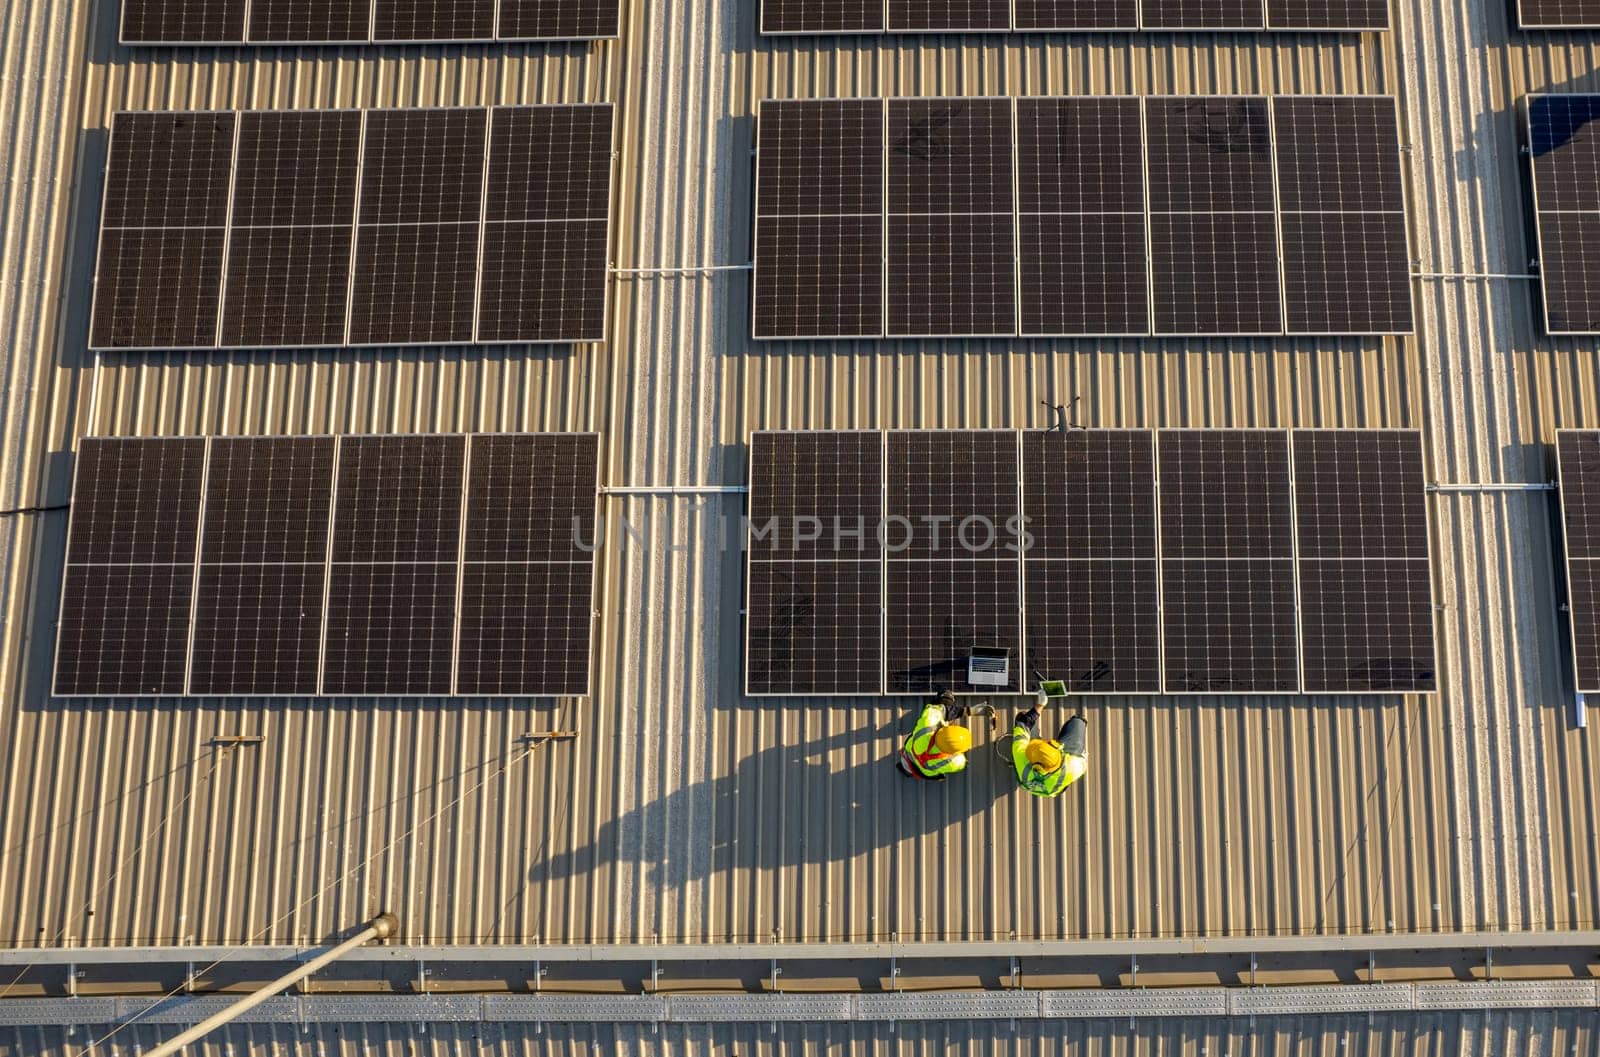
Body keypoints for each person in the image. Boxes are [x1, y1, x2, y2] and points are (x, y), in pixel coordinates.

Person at [1010, 698, 1087, 797]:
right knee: (1078, 723)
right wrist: (1080, 752)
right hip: (1052, 790)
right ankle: (1078, 720)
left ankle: (1034, 736)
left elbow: (1022, 723)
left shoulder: (1021, 756)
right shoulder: (1071, 767)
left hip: (1030, 782)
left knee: (1023, 716)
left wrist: (1039, 706)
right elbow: (1083, 761)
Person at [896, 690, 973, 780]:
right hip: (923, 768)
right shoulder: (953, 762)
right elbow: (962, 762)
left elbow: (960, 762)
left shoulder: (927, 727)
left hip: (917, 757)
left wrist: (965, 711)